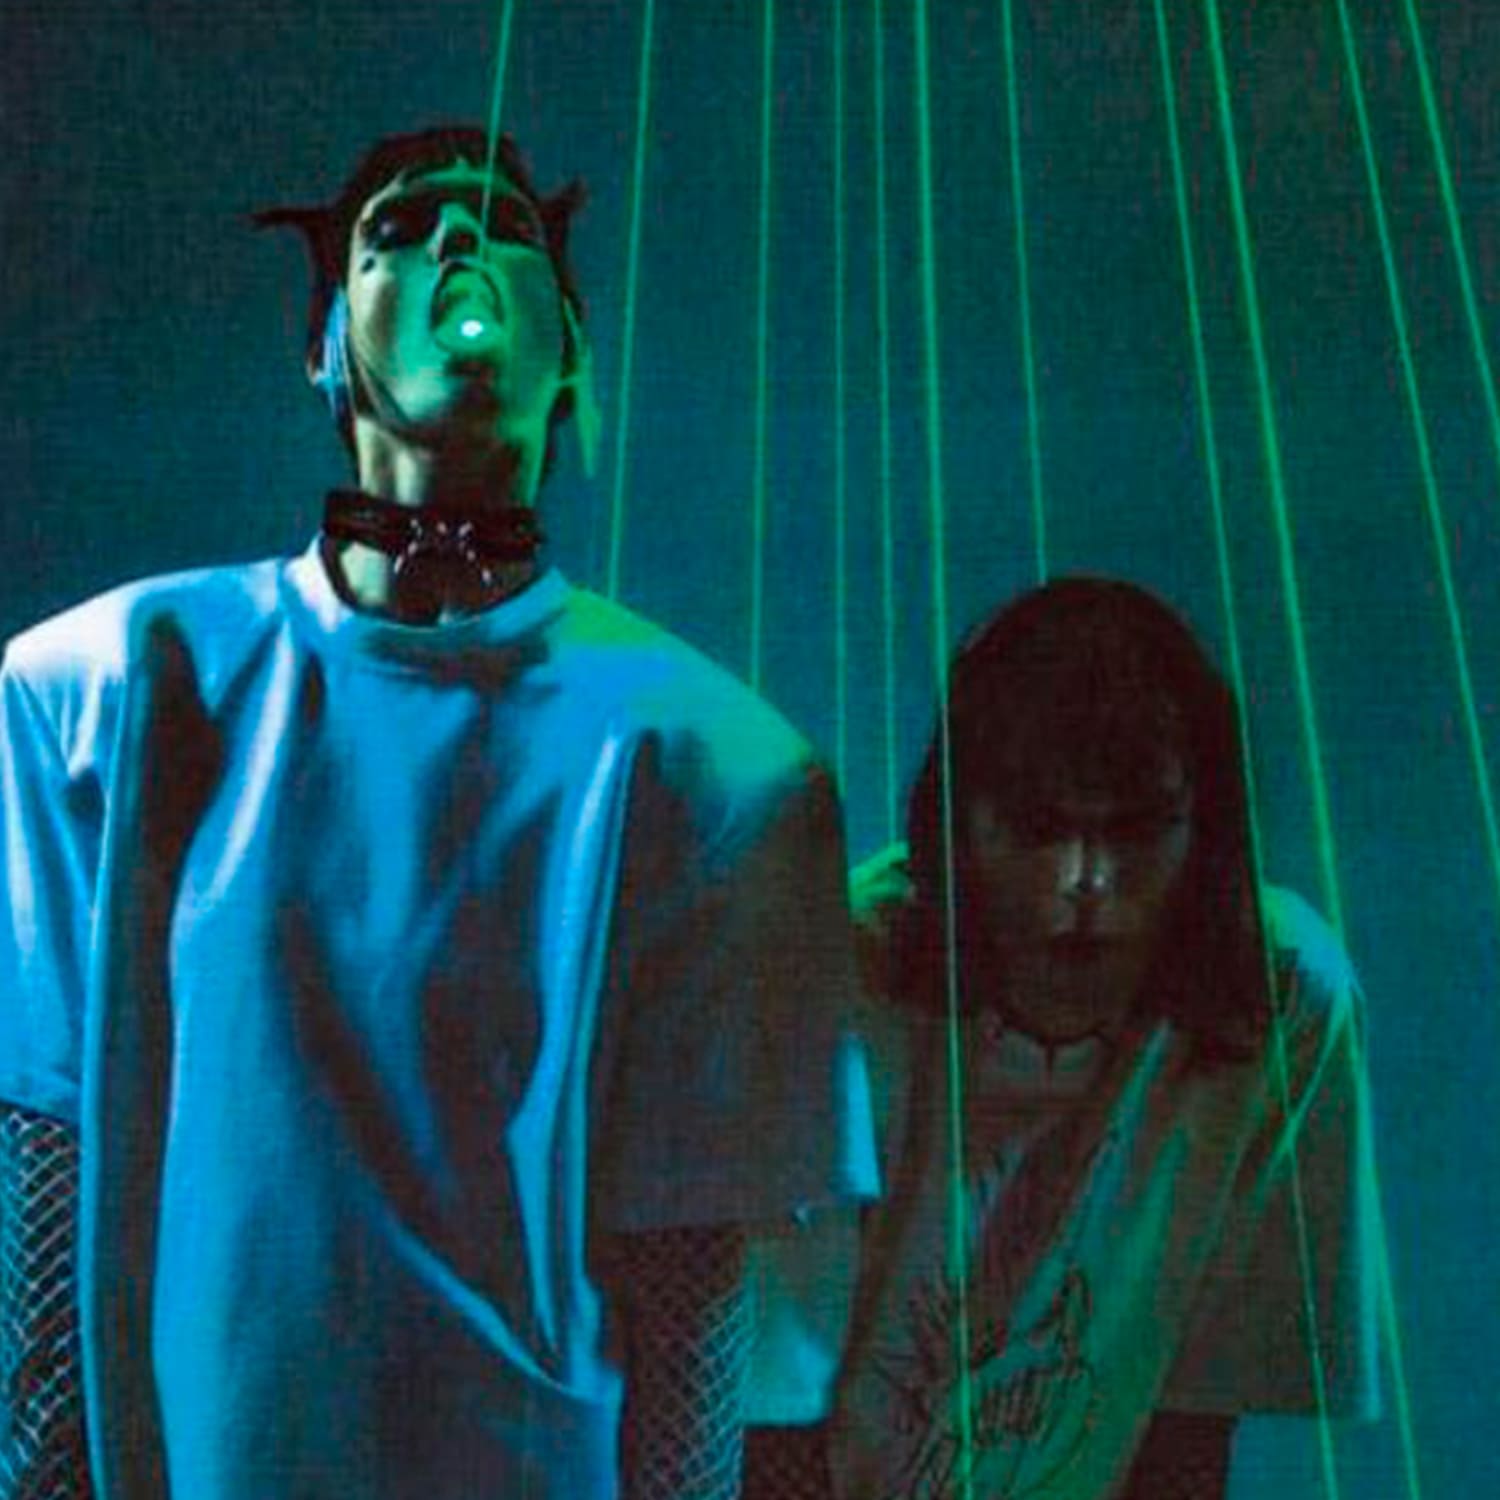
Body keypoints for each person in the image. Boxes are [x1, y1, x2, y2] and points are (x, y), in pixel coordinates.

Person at [0, 124, 876, 1499]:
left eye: (506, 229)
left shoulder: (723, 772)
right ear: (323, 346)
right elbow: (41, 1174)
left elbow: (694, 1286)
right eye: (399, 231)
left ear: (571, 349)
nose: (459, 243)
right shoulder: (100, 695)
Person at [743, 576, 1380, 1499]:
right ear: (960, 828)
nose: (1085, 882)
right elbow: (768, 1420)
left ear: (1203, 834)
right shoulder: (837, 984)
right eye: (1038, 830)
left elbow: (1192, 1423)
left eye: (1136, 832)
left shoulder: (1281, 999)